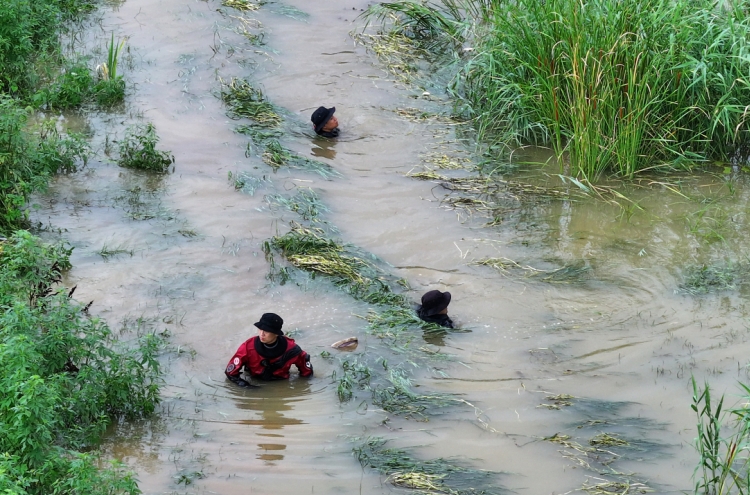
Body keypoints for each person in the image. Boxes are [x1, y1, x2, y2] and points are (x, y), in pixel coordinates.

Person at [225, 313, 313, 387]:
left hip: (281, 382)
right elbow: (230, 373)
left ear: (276, 334)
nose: (261, 334)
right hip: (254, 379)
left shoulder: (292, 349)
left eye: (266, 331)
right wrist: (247, 387)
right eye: (260, 329)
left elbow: (307, 373)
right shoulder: (248, 347)